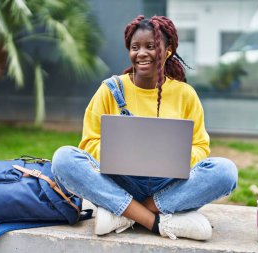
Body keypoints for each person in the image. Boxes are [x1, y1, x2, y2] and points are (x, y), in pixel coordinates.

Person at [51, 15, 238, 241]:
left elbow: (200, 146)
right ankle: (155, 220)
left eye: (151, 46)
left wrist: (173, 160)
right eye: (135, 47)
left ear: (167, 51)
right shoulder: (110, 90)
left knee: (226, 172)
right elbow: (89, 143)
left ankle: (126, 213)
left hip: (169, 184)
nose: (141, 53)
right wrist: (120, 155)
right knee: (63, 159)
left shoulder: (185, 94)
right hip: (120, 180)